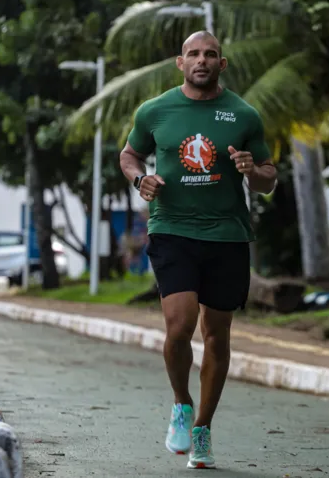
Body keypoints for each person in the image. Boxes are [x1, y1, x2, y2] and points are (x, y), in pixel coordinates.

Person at [119, 31, 277, 470]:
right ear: (180, 62)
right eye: (193, 54)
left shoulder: (243, 114)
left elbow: (269, 176)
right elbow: (129, 155)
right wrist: (139, 179)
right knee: (179, 325)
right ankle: (181, 404)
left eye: (210, 54)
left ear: (222, 64)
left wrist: (252, 171)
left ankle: (203, 429)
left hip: (227, 234)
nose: (201, 60)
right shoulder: (155, 111)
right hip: (172, 230)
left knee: (216, 336)